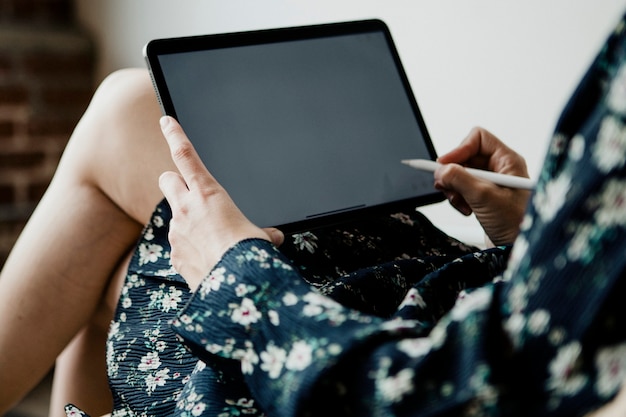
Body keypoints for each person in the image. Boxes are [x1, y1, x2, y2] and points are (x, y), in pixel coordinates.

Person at [1, 10, 625, 417]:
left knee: (125, 127)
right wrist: (531, 238)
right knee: (133, 158)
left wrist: (235, 279)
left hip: (390, 360)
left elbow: (452, 396)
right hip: (474, 290)